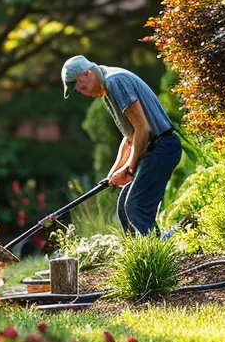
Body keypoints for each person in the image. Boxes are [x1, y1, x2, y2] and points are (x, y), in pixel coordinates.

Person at [61, 55, 181, 237]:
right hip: (155, 149)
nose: (81, 91)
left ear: (87, 74)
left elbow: (142, 128)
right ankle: (139, 251)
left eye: (80, 86)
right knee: (125, 205)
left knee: (136, 206)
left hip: (162, 147)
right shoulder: (108, 86)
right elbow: (130, 136)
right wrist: (114, 171)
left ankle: (158, 254)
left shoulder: (115, 82)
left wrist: (130, 168)